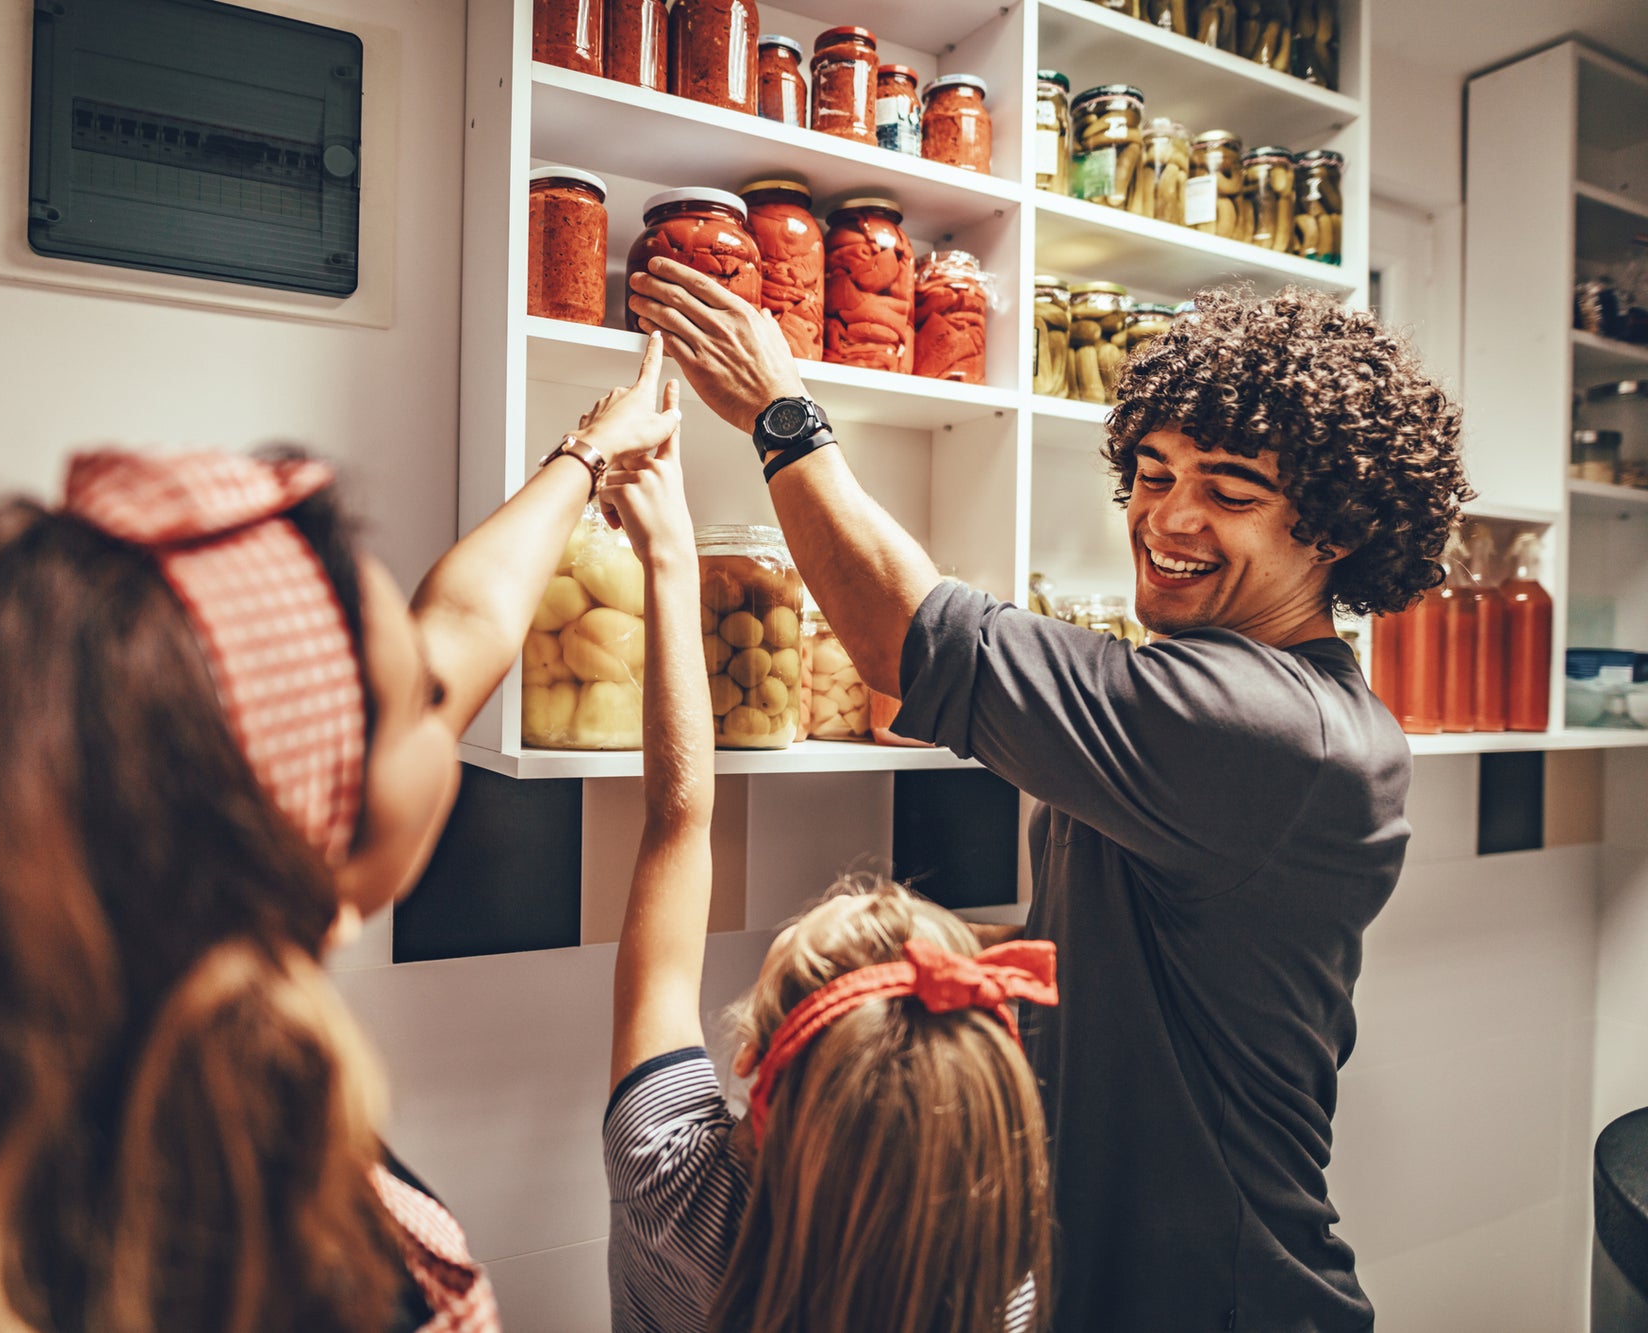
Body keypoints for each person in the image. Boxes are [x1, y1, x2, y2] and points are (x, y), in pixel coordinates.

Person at [0, 341, 680, 1333]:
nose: (443, 685)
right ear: (287, 840)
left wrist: (587, 453)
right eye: (421, 700)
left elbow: (465, 619)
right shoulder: (314, 1279)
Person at [626, 267, 1471, 1331]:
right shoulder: (1288, 709)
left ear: (1334, 530)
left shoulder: (1250, 725)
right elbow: (1128, 947)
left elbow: (900, 642)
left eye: (1228, 492)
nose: (1168, 516)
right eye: (1153, 473)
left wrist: (780, 417)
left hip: (1219, 1302)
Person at [594, 388, 1059, 1333]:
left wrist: (670, 555)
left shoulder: (677, 1190)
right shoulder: (998, 1280)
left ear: (754, 1081)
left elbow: (678, 820)